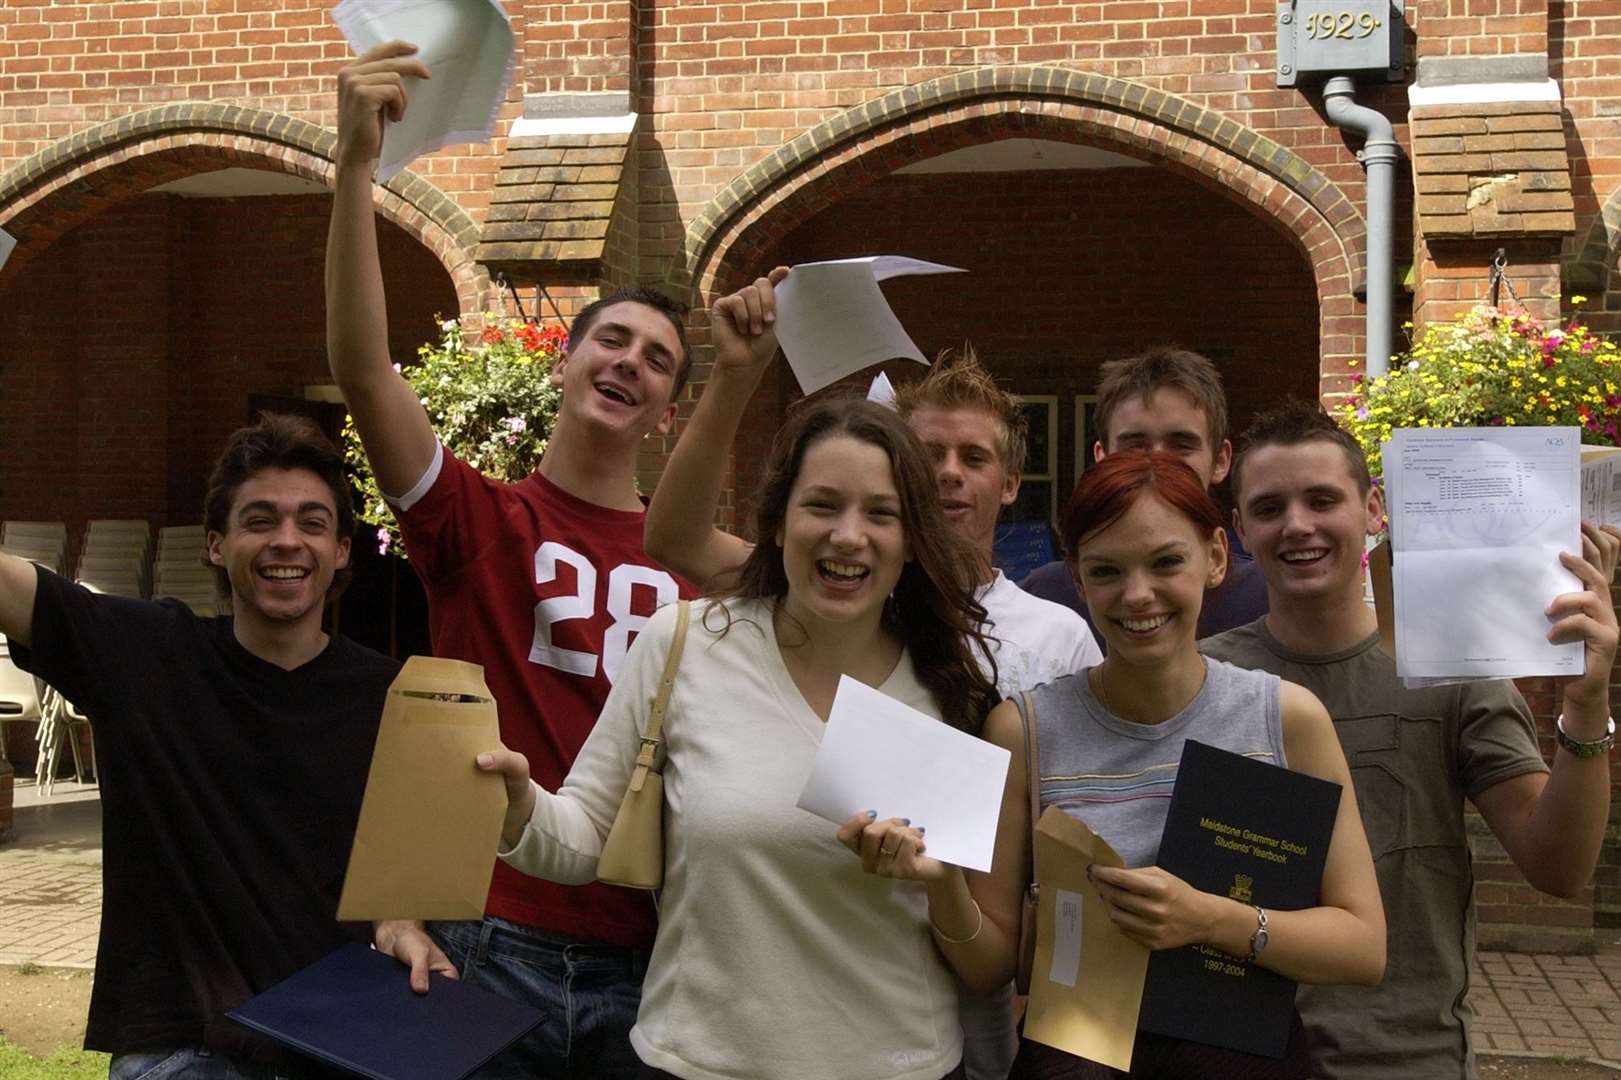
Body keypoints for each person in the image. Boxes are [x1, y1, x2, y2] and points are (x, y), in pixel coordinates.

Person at [328, 42, 694, 1078]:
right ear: (565, 359)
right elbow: (361, 369)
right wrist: (355, 168)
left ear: (674, 409)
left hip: (651, 953)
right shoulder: (475, 523)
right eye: (610, 340)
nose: (629, 360)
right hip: (489, 936)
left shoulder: (701, 576)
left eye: (657, 358)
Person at [642, 294, 1101, 1080]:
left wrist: (1043, 968)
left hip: (970, 1006)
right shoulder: (830, 590)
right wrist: (734, 375)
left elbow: (1077, 843)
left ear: (1013, 481)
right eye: (932, 456)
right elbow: (676, 536)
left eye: (976, 457)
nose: (952, 474)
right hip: (824, 1002)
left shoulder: (1055, 637)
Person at [478, 394, 1001, 1080]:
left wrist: (942, 887)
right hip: (694, 1064)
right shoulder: (686, 644)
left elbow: (989, 962)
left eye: (881, 513)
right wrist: (518, 805)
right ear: (779, 522)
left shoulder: (950, 695)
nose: (849, 535)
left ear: (911, 541)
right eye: (822, 505)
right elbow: (585, 838)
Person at [848, 450, 1386, 1079]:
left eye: (1166, 562)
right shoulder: (1025, 730)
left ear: (1215, 557)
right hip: (1076, 1060)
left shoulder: (1286, 719)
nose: (1137, 596)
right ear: (1076, 578)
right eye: (1106, 570)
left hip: (1239, 1059)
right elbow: (988, 966)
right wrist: (941, 884)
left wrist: (1209, 918)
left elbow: (1363, 945)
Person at [1202, 402, 1621, 1080]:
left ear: (1374, 510)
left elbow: (1560, 867)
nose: (1298, 525)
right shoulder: (1203, 679)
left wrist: (1586, 702)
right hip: (1234, 1057)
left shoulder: (1450, 672)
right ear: (1241, 530)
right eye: (1270, 506)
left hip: (1404, 1058)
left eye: (1322, 499)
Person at [0, 413, 401, 1080]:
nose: (286, 541)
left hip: (342, 1040)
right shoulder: (144, 653)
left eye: (312, 522)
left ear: (340, 552)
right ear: (216, 545)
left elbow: (417, 867)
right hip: (182, 1047)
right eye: (259, 519)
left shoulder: (394, 696)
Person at [1021, 347, 1267, 643]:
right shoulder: (1047, 598)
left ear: (1221, 460)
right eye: (1135, 445)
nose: (1158, 460)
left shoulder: (1265, 598)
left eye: (1182, 443)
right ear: (1102, 457)